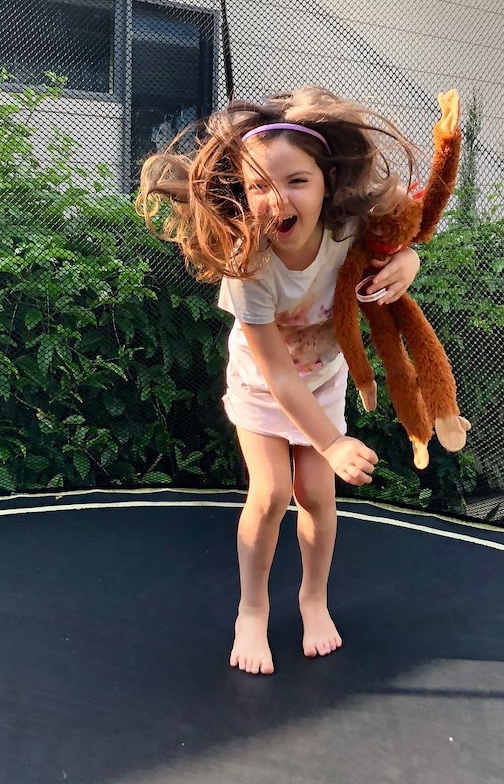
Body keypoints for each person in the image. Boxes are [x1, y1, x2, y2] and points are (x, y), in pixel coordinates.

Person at [136, 85, 422, 675]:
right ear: (243, 193)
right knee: (269, 496)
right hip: (264, 390)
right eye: (260, 185)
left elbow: (408, 244)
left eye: (296, 181)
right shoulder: (250, 267)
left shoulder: (347, 238)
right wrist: (334, 442)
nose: (277, 198)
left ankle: (313, 600)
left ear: (327, 185)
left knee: (317, 494)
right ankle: (252, 608)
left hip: (321, 383)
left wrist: (406, 263)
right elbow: (276, 375)